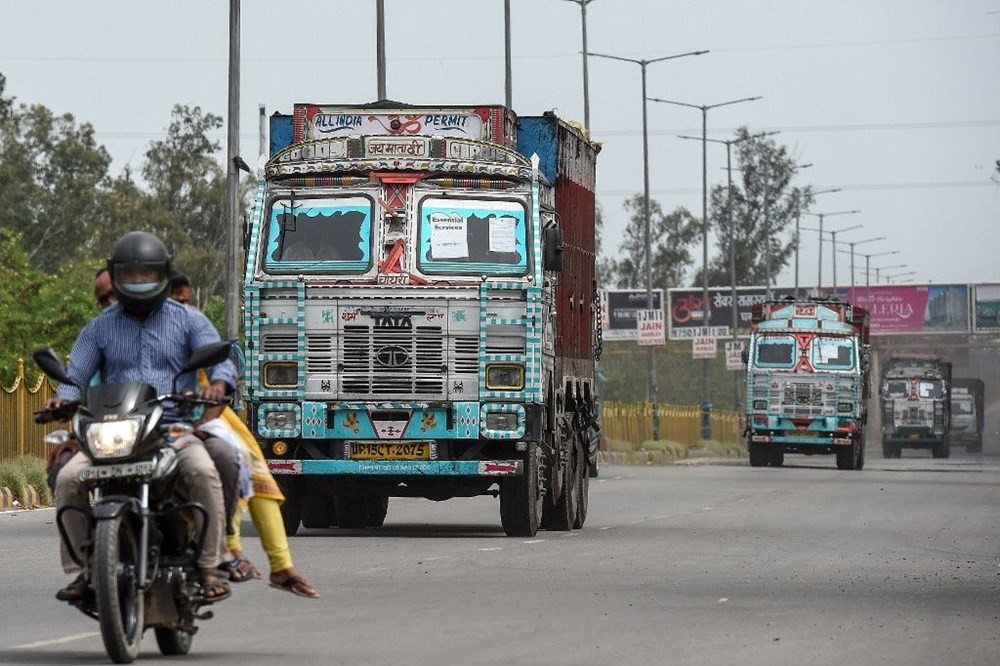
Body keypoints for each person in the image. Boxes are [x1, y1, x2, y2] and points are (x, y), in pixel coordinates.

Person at [50, 231, 236, 604]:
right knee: (68, 479)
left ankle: (210, 563)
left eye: (146, 274)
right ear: (116, 276)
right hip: (110, 431)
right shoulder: (99, 326)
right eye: (130, 274)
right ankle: (83, 570)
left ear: (163, 274)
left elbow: (222, 361)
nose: (138, 282)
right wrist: (62, 399)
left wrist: (218, 384)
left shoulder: (189, 320)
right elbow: (75, 376)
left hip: (171, 428)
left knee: (205, 470)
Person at [169, 275, 320, 599]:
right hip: (130, 425)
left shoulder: (190, 326)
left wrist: (214, 395)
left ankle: (238, 550)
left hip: (196, 417)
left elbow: (223, 368)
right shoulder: (110, 330)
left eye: (181, 301)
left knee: (240, 463)